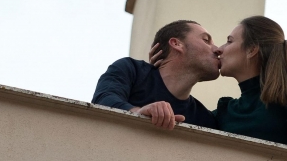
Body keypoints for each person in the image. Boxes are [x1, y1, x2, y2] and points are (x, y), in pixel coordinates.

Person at [150, 16, 287, 158]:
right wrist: (161, 74)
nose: (219, 49)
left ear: (252, 50)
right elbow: (174, 122)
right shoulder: (226, 111)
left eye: (229, 41)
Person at [92, 20, 221, 130]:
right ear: (176, 44)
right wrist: (138, 113)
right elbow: (102, 100)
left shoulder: (204, 118)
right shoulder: (131, 70)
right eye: (206, 40)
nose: (217, 49)